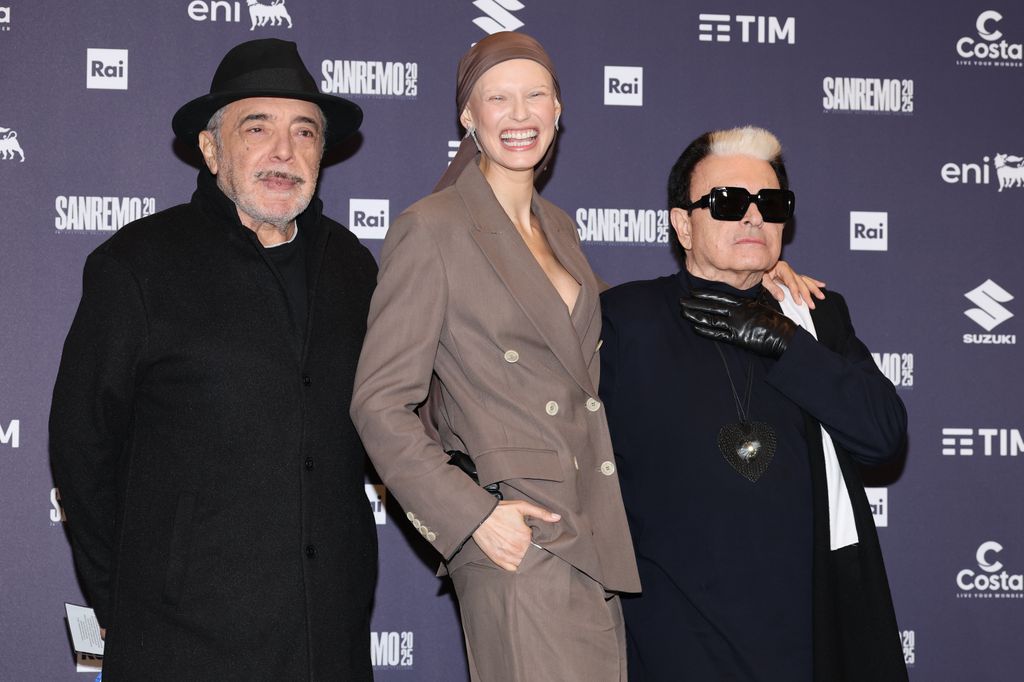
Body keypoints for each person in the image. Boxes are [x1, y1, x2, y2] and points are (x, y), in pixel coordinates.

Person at [350, 34, 816, 681]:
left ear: (559, 110)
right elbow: (377, 402)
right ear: (468, 116)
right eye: (499, 98)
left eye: (535, 95)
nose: (520, 115)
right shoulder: (432, 228)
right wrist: (475, 518)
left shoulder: (559, 228)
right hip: (521, 539)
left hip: (597, 531)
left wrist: (750, 268)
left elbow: (623, 336)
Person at [49, 39, 378, 680]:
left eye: (304, 132)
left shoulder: (352, 266)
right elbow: (82, 442)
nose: (284, 152)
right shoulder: (140, 265)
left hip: (329, 638)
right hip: (183, 642)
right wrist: (117, 597)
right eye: (258, 128)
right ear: (211, 148)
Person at [599, 125, 908, 681]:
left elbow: (883, 435)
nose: (752, 216)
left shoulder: (814, 313)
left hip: (806, 632)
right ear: (681, 225)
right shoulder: (625, 318)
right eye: (727, 202)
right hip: (671, 632)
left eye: (770, 203)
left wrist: (789, 342)